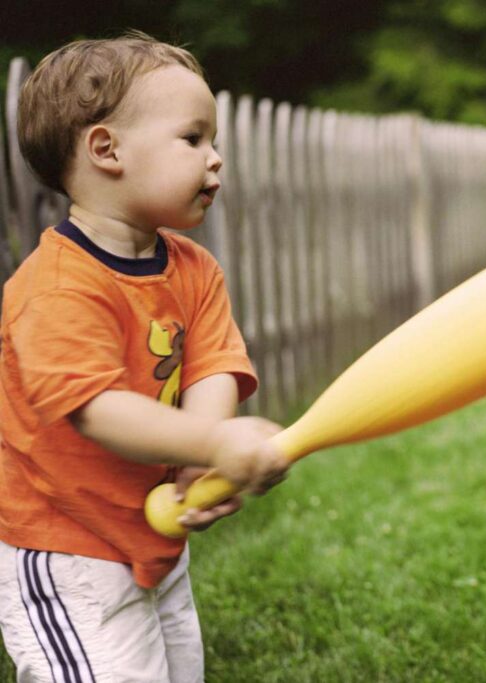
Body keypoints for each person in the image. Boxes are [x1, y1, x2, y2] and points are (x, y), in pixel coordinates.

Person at [0, 31, 290, 682]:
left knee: (176, 669)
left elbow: (212, 366)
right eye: (193, 139)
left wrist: (199, 454)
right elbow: (96, 409)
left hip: (153, 527)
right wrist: (216, 441)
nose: (215, 160)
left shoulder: (193, 268)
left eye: (213, 141)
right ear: (107, 150)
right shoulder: (56, 287)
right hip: (67, 540)